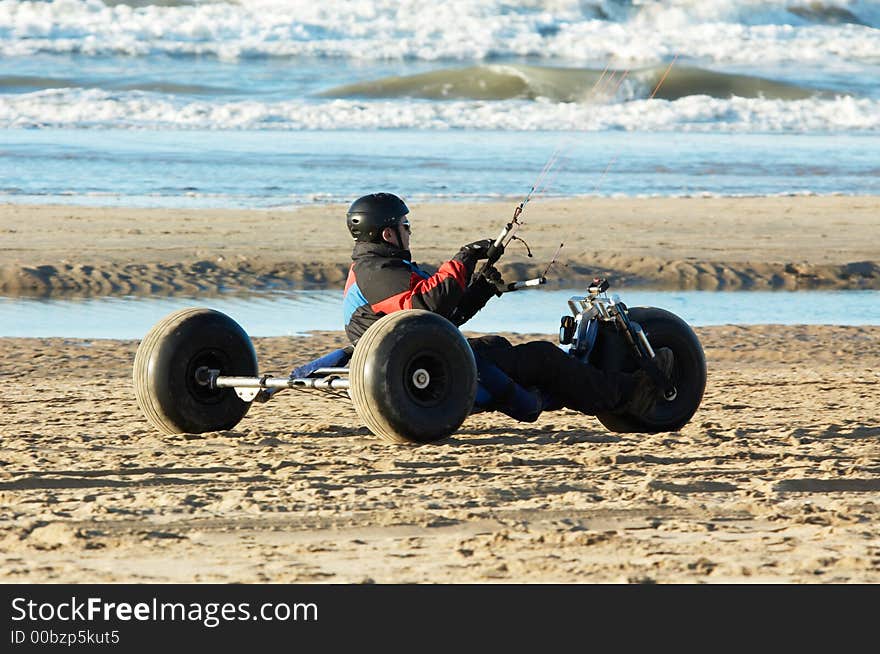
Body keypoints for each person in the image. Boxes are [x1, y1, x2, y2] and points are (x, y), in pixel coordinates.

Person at [342, 192, 673, 421]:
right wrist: (465, 256)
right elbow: (429, 307)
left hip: (418, 351)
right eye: (404, 226)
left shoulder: (385, 268)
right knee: (543, 357)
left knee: (499, 348)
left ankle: (583, 387)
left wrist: (482, 289)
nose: (409, 231)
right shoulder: (376, 271)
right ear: (388, 233)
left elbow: (443, 320)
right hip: (404, 363)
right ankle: (627, 395)